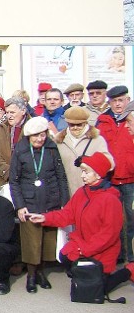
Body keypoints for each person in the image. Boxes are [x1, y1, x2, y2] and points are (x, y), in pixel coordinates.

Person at [29, 153, 134, 296]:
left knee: (98, 291)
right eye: (82, 171)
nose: (82, 176)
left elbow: (108, 235)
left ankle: (128, 271)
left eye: (86, 172)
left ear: (99, 175)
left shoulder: (111, 200)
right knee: (65, 256)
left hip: (103, 251)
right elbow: (67, 214)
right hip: (82, 244)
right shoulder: (82, 192)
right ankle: (84, 276)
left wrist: (83, 250)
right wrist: (44, 218)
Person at [9, 116, 69, 293]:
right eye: (36, 136)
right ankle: (31, 274)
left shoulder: (51, 149)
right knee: (31, 241)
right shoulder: (20, 151)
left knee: (47, 241)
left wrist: (63, 202)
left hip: (51, 200)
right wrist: (19, 205)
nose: (40, 139)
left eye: (42, 135)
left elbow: (61, 176)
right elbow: (14, 180)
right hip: (29, 201)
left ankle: (42, 272)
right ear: (28, 136)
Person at [97, 96, 134, 263]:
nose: (118, 104)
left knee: (132, 220)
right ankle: (118, 256)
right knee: (114, 221)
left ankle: (131, 257)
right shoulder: (103, 121)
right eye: (114, 101)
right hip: (112, 180)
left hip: (131, 180)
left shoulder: (129, 122)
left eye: (121, 100)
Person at [53, 106, 113, 196]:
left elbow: (110, 164)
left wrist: (91, 163)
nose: (75, 127)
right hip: (67, 192)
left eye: (79, 124)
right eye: (72, 125)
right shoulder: (59, 141)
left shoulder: (97, 139)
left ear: (85, 123)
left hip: (91, 191)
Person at [0, 97, 30, 187]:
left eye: (12, 112)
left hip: (28, 180)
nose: (9, 116)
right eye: (7, 112)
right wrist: (7, 171)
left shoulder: (33, 128)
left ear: (23, 111)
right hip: (5, 180)